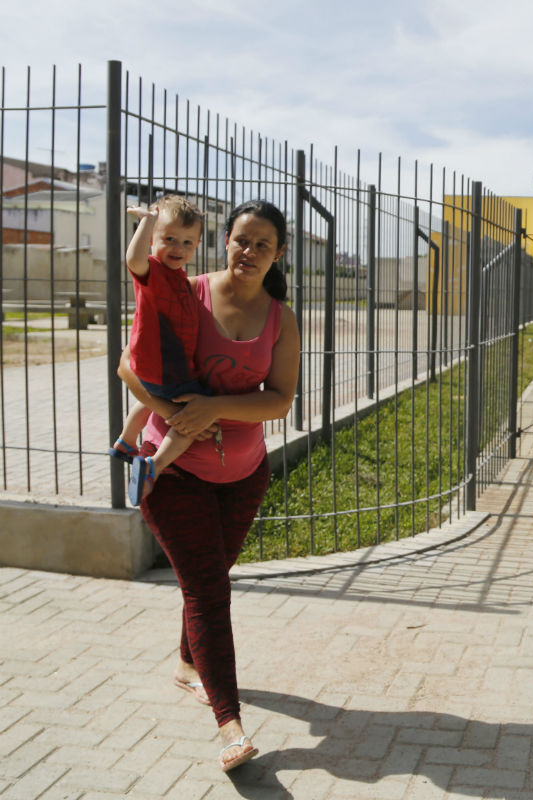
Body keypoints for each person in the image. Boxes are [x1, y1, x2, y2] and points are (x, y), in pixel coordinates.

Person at [118, 199, 300, 772]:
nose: (249, 252)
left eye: (262, 245)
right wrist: (180, 417)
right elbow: (130, 368)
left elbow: (280, 398)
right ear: (224, 241)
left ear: (278, 254)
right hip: (172, 471)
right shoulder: (183, 290)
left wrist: (214, 409)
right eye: (241, 240)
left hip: (244, 475)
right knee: (208, 591)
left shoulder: (280, 318)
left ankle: (186, 663)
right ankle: (230, 723)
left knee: (207, 575)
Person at [108, 196, 210, 506]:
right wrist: (146, 221)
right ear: (152, 239)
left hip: (155, 367)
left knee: (152, 402)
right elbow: (133, 260)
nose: (178, 248)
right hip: (165, 368)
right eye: (169, 239)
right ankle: (155, 464)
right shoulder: (151, 270)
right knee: (190, 421)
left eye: (188, 242)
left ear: (197, 246)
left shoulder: (178, 277)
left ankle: (125, 443)